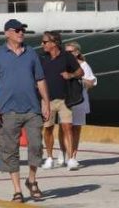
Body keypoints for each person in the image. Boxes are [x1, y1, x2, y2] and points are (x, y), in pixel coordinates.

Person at [0, 18, 51, 203]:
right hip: (8, 110)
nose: (21, 33)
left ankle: (32, 180)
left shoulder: (31, 53)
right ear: (7, 33)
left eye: (22, 30)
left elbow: (40, 79)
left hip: (32, 108)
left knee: (36, 145)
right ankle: (17, 190)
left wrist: (46, 102)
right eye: (17, 30)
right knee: (9, 150)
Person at [38, 30, 83, 170]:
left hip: (65, 99)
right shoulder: (42, 58)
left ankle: (71, 159)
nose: (42, 44)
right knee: (48, 129)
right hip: (47, 100)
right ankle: (50, 158)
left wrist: (70, 75)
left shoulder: (67, 57)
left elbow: (80, 72)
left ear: (54, 43)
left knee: (67, 128)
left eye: (45, 42)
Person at [63, 42, 97, 166]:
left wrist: (77, 78)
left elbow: (91, 82)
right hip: (65, 99)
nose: (68, 54)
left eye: (70, 51)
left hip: (79, 100)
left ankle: (72, 156)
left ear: (77, 52)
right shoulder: (63, 64)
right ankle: (65, 154)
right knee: (65, 127)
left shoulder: (84, 65)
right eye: (66, 52)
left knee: (76, 129)